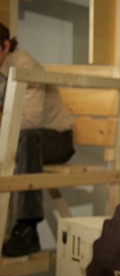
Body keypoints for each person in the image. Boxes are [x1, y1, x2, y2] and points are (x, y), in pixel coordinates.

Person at [0, 23, 75, 257]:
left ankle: (28, 228)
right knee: (22, 140)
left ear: (5, 46)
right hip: (21, 139)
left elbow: (29, 121)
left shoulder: (24, 66)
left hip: (57, 139)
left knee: (27, 138)